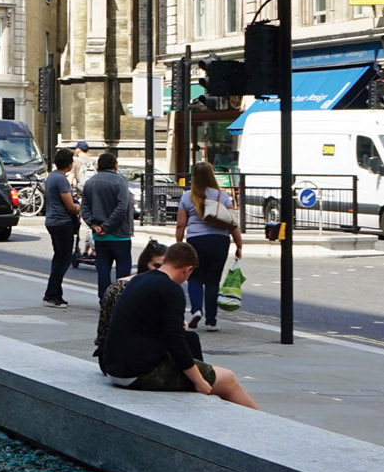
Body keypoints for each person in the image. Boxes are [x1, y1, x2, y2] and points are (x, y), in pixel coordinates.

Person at [95, 241, 260, 406]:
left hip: (114, 368)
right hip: (138, 372)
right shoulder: (171, 289)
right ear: (187, 269)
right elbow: (176, 341)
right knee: (228, 379)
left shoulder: (138, 280)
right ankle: (266, 428)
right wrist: (199, 381)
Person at [173, 161, 242, 330]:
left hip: (196, 240)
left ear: (194, 176)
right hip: (219, 241)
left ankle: (197, 310)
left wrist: (179, 244)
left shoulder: (187, 196)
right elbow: (233, 223)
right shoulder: (222, 196)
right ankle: (211, 321)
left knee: (195, 277)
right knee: (213, 281)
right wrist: (239, 245)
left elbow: (181, 224)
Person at [79, 151, 135, 301]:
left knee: (103, 269)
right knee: (123, 271)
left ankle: (104, 298)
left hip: (100, 236)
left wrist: (94, 225)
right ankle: (120, 299)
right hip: (120, 234)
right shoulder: (120, 181)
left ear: (98, 166)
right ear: (115, 165)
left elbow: (84, 207)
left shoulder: (90, 182)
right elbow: (122, 206)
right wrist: (108, 226)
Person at [42, 148, 80, 308]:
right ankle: (51, 295)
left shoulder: (52, 177)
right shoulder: (61, 180)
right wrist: (79, 207)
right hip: (61, 222)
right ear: (69, 164)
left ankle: (56, 294)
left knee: (59, 258)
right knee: (63, 260)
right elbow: (70, 206)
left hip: (52, 221)